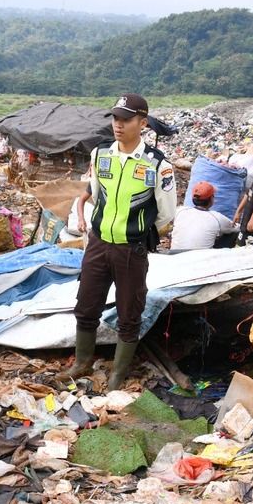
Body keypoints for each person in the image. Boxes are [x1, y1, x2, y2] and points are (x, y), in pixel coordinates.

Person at [59, 94, 176, 389]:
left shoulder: (158, 166)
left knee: (129, 314)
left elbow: (165, 215)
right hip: (98, 245)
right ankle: (83, 363)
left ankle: (117, 375)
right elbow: (96, 196)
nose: (118, 125)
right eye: (115, 119)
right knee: (86, 306)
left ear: (143, 123)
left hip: (131, 250)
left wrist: (136, 233)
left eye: (126, 119)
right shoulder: (101, 155)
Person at [171, 182, 237, 251]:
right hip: (201, 259)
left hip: (174, 255)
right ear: (211, 199)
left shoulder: (180, 211)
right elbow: (237, 228)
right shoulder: (217, 218)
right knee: (233, 234)